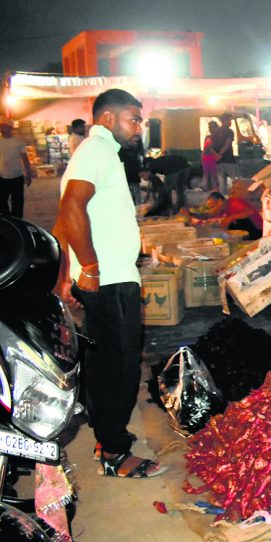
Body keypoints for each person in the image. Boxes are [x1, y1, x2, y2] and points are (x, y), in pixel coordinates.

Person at [52, 88, 165, 478]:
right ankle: (115, 452)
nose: (138, 127)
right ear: (107, 119)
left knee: (105, 363)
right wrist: (91, 268)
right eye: (133, 119)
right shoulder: (97, 151)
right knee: (119, 366)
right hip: (111, 280)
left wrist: (65, 276)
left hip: (110, 278)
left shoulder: (97, 154)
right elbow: (71, 208)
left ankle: (109, 436)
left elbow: (64, 218)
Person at [0, 118, 33, 218]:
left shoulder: (18, 142)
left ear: (10, 128)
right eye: (2, 127)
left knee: (17, 203)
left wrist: (28, 174)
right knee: (1, 202)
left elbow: (25, 158)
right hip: (2, 177)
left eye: (5, 127)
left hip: (17, 176)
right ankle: (8, 221)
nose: (3, 129)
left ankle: (17, 222)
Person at [214, 112, 238, 192]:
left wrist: (216, 155)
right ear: (225, 120)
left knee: (222, 184)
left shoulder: (215, 131)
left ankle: (223, 201)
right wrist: (220, 154)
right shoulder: (229, 131)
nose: (231, 122)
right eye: (230, 120)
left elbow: (211, 146)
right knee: (235, 181)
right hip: (228, 160)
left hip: (218, 162)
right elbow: (228, 144)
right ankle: (235, 198)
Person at [118, 136, 143, 204]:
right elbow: (141, 152)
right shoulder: (137, 143)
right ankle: (138, 202)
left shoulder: (124, 145)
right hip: (134, 168)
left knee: (128, 187)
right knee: (135, 186)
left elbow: (120, 157)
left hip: (128, 168)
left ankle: (128, 203)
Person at [202, 120, 219, 191]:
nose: (210, 129)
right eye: (209, 127)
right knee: (208, 173)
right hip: (207, 157)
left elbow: (208, 147)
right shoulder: (208, 137)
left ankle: (214, 187)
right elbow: (206, 147)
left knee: (212, 173)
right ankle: (210, 187)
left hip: (211, 157)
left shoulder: (214, 137)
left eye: (211, 127)